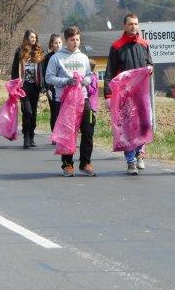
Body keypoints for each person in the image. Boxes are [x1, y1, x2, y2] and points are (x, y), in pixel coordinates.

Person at [104, 13, 153, 175]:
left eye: (136, 24)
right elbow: (109, 72)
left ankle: (140, 153)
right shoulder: (117, 46)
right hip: (125, 95)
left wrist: (150, 69)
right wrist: (108, 96)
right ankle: (131, 160)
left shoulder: (144, 44)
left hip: (141, 94)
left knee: (145, 124)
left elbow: (149, 63)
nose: (134, 27)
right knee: (128, 128)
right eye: (131, 24)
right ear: (125, 26)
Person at [45, 26, 96, 177]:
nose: (76, 42)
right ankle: (67, 164)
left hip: (83, 98)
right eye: (72, 40)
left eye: (78, 39)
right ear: (66, 41)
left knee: (88, 130)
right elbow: (49, 77)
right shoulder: (57, 58)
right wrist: (66, 81)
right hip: (64, 100)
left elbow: (89, 75)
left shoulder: (83, 57)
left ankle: (85, 163)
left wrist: (85, 80)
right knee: (68, 132)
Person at [10, 29, 44, 149]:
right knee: (27, 111)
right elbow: (15, 68)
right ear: (26, 38)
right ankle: (26, 136)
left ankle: (32, 136)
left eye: (35, 37)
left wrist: (43, 86)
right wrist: (14, 83)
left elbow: (42, 70)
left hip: (35, 86)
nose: (33, 39)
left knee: (33, 113)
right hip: (23, 87)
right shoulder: (20, 51)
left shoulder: (38, 51)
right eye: (31, 37)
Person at [41, 34, 62, 142]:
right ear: (51, 45)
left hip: (64, 88)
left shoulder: (65, 56)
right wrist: (47, 88)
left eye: (59, 42)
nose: (58, 45)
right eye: (56, 43)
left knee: (63, 112)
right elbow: (45, 74)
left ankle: (63, 135)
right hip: (52, 89)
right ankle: (55, 136)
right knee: (55, 112)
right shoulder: (48, 58)